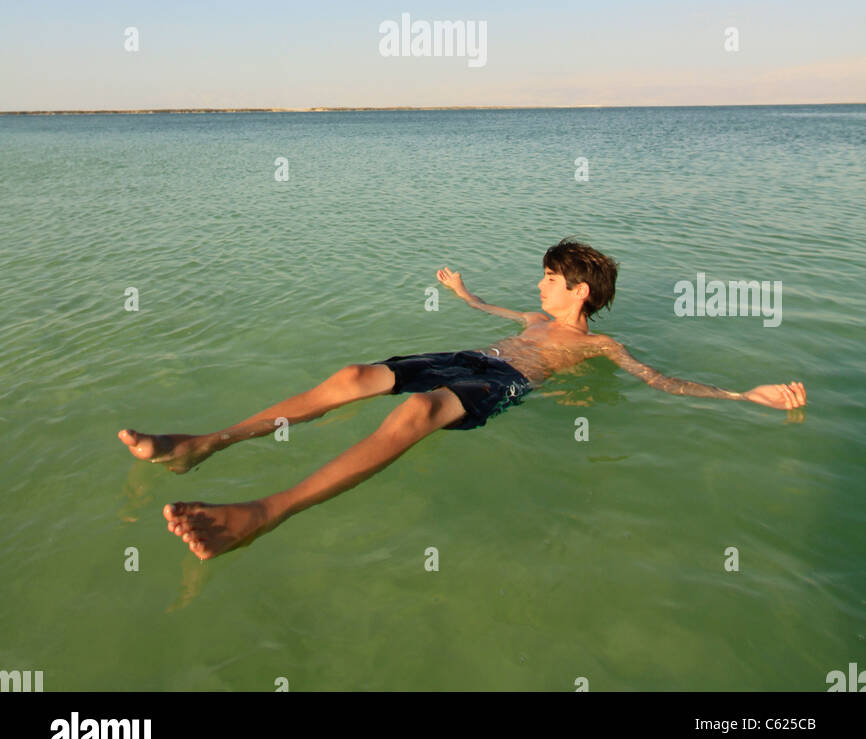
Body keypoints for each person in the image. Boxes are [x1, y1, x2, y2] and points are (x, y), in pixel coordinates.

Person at [118, 238, 807, 560]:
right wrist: (461, 292)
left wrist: (745, 395)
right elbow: (493, 308)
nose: (539, 287)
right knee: (354, 373)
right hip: (472, 357)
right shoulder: (535, 321)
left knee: (414, 414)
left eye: (549, 280)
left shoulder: (602, 349)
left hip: (499, 384)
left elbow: (660, 381)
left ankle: (263, 513)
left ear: (580, 294)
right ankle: (207, 442)